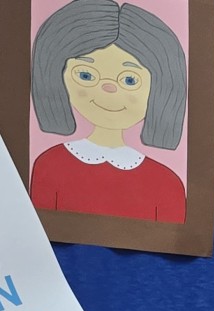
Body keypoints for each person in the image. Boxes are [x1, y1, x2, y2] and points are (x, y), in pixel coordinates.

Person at [29, 0, 187, 221]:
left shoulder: (167, 183)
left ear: (161, 88)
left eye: (130, 80)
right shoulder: (50, 165)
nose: (108, 89)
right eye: (86, 75)